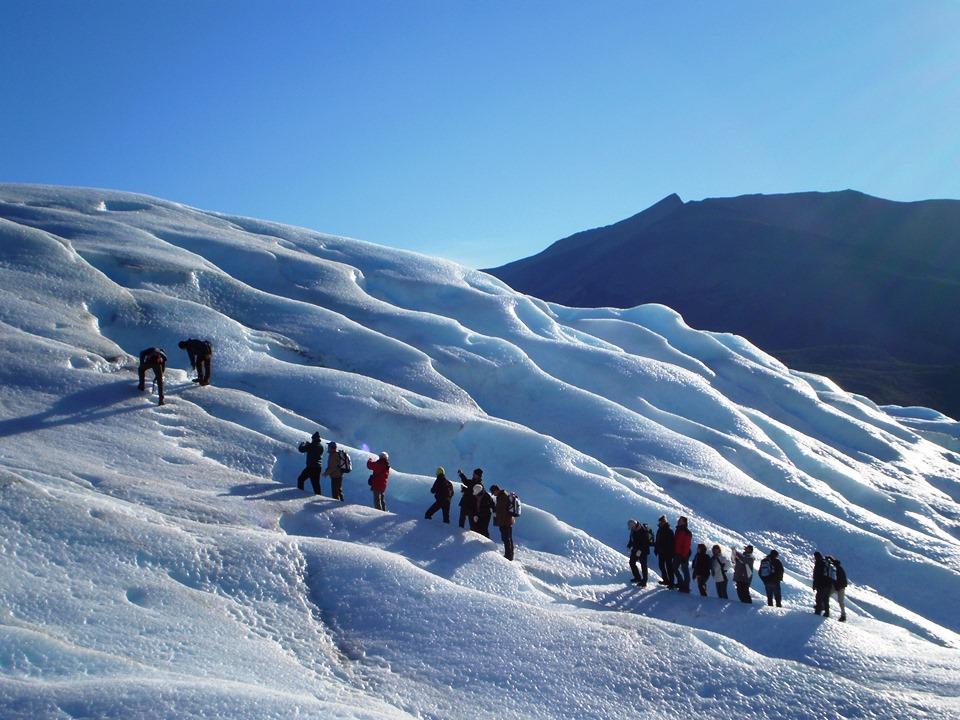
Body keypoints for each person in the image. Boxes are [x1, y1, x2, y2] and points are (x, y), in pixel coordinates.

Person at [490, 485, 516, 560]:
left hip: (505, 522)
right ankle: (510, 555)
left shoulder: (502, 497)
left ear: (496, 490)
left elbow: (501, 510)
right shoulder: (503, 495)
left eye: (493, 492)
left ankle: (508, 556)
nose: (493, 494)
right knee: (508, 539)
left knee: (506, 539)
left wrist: (495, 510)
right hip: (507, 521)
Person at [627, 520, 652, 586]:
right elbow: (631, 539)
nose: (631, 529)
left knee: (643, 565)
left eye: (631, 527)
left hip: (643, 551)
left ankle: (644, 582)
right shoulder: (633, 530)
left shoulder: (643, 530)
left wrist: (640, 551)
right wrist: (629, 545)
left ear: (634, 525)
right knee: (632, 562)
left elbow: (645, 543)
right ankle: (637, 578)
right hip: (635, 549)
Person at [654, 516, 676, 588]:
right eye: (660, 522)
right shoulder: (659, 530)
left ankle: (671, 583)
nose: (660, 523)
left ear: (664, 522)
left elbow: (672, 543)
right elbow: (657, 541)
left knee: (669, 567)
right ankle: (666, 580)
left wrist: (671, 552)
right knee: (661, 566)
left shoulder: (669, 531)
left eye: (661, 522)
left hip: (668, 552)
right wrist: (656, 549)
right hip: (661, 552)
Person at [673, 516, 693, 593]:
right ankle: (681, 584)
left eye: (680, 520)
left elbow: (686, 545)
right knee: (675, 568)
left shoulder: (686, 532)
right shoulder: (678, 530)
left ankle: (686, 587)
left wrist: (684, 556)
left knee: (685, 570)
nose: (678, 521)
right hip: (677, 553)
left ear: (684, 522)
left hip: (683, 554)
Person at [812, 551, 832, 617]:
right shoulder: (826, 562)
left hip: (821, 584)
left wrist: (814, 584)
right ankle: (827, 613)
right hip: (828, 584)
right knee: (826, 599)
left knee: (819, 598)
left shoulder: (818, 563)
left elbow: (816, 575)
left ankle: (817, 612)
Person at [828, 556, 848, 622]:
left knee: (828, 596)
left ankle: (843, 615)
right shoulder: (840, 569)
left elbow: (837, 579)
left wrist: (837, 586)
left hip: (839, 587)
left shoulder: (837, 570)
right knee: (840, 601)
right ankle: (843, 615)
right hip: (840, 587)